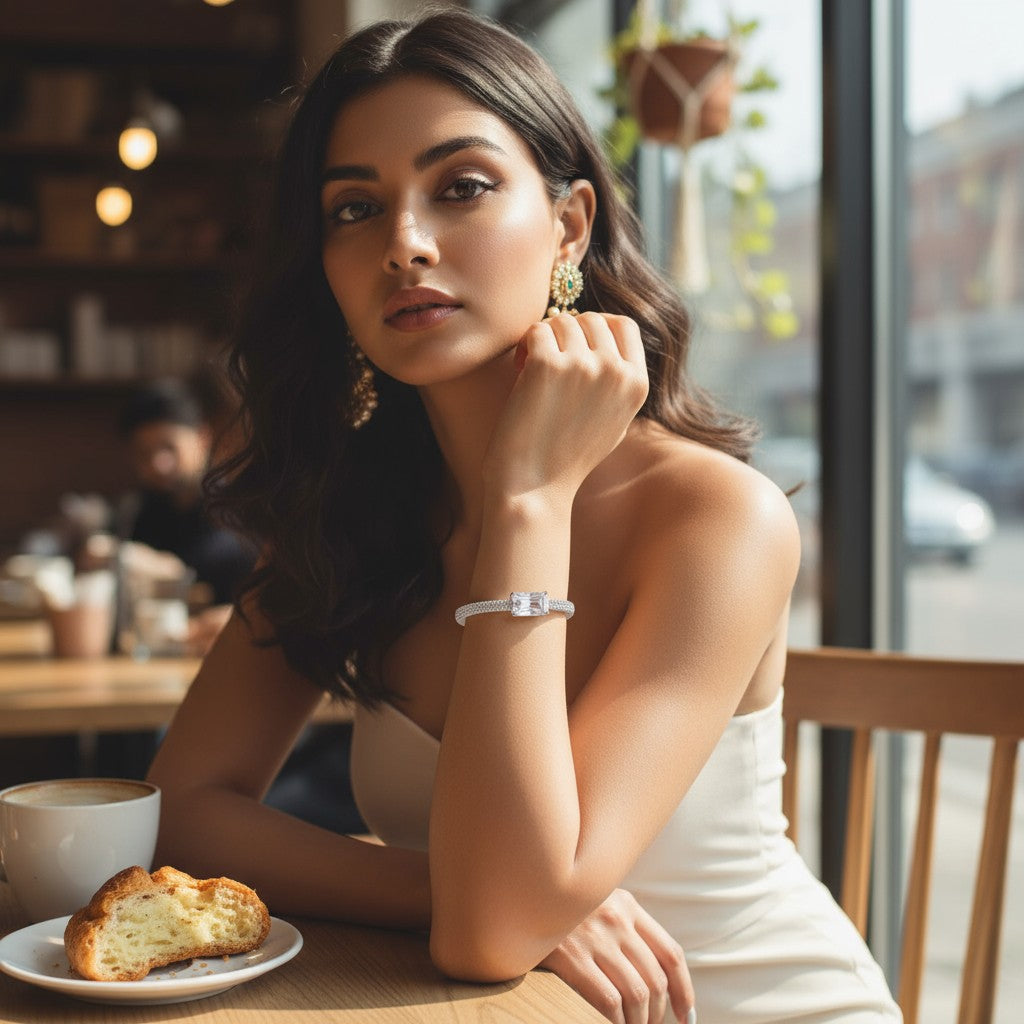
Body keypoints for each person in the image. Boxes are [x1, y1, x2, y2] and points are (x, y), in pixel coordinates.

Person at [147, 10, 902, 1023]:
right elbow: (180, 812)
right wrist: (452, 889)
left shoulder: (718, 519)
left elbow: (492, 928)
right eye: (354, 208)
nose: (405, 244)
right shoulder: (352, 513)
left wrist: (530, 498)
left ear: (570, 225)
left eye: (461, 187)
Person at [114, 379, 256, 655]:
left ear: (202, 438)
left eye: (169, 447)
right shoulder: (139, 513)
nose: (158, 464)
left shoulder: (243, 510)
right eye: (144, 454)